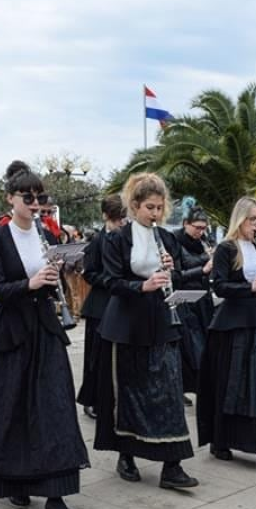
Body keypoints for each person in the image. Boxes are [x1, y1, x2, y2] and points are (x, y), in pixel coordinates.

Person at [0, 162, 87, 509]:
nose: (36, 204)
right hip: (12, 332)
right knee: (12, 408)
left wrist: (60, 273)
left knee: (55, 406)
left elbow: (46, 282)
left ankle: (56, 492)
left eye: (40, 198)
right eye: (28, 198)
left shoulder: (44, 234)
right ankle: (15, 481)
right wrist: (30, 284)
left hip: (44, 327)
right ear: (11, 199)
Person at [94, 173, 199, 489]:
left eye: (159, 207)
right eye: (149, 207)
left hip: (162, 321)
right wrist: (141, 285)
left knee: (168, 392)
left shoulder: (167, 239)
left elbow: (178, 274)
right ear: (134, 206)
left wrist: (170, 271)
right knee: (126, 393)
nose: (155, 213)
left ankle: (172, 464)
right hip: (127, 323)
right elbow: (109, 281)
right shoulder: (116, 240)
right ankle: (126, 455)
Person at [197, 197, 256, 473]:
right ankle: (221, 440)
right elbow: (219, 287)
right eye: (252, 219)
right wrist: (249, 286)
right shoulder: (227, 248)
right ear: (240, 219)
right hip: (232, 325)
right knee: (231, 387)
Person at [76, 194, 125, 419]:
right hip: (100, 305)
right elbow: (90, 273)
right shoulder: (97, 240)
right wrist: (109, 281)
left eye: (123, 219)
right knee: (95, 356)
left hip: (122, 303)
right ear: (106, 217)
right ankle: (92, 399)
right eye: (116, 219)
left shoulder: (128, 238)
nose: (120, 223)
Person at [175, 207, 216, 397]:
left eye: (203, 228)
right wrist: (203, 268)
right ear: (185, 224)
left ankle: (202, 385)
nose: (200, 232)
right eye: (197, 227)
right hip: (185, 300)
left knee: (206, 343)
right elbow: (175, 276)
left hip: (204, 299)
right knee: (192, 345)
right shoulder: (175, 242)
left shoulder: (204, 242)